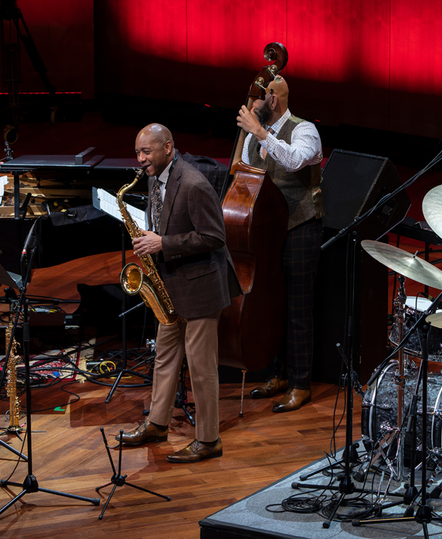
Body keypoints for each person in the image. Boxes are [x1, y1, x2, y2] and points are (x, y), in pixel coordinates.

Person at [118, 124, 240, 463]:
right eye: (138, 152)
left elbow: (215, 237)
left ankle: (209, 439)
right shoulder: (157, 178)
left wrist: (163, 242)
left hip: (200, 288)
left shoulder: (194, 184)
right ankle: (157, 423)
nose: (141, 159)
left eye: (147, 152)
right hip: (171, 286)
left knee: (201, 369)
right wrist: (151, 235)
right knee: (165, 358)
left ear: (168, 147)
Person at [236, 75, 324, 413]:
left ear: (272, 99)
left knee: (298, 307)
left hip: (301, 225)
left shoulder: (305, 131)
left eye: (257, 98)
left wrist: (259, 132)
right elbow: (246, 172)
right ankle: (279, 374)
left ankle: (301, 384)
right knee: (272, 302)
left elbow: (294, 160)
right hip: (267, 228)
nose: (251, 104)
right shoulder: (251, 136)